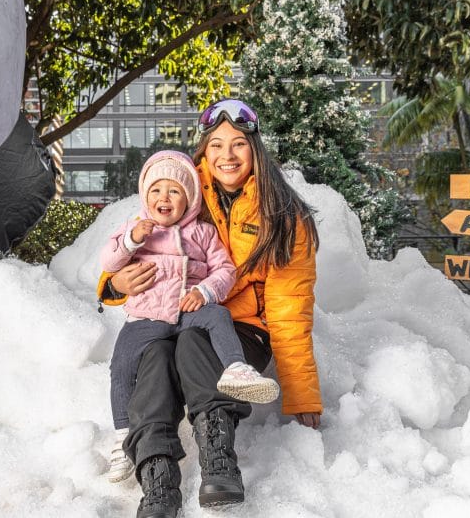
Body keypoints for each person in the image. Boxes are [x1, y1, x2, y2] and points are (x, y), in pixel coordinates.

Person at [98, 99, 322, 518]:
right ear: (204, 149)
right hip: (173, 313)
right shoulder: (182, 189)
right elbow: (135, 249)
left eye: (238, 144)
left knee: (191, 344)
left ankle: (218, 458)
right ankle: (157, 474)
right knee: (155, 354)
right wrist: (113, 284)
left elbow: (290, 309)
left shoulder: (284, 216)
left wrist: (302, 394)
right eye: (216, 145)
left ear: (255, 149)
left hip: (241, 328)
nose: (226, 156)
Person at [99, 150, 280, 483]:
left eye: (174, 191)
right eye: (156, 190)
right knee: (122, 366)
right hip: (147, 317)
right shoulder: (135, 229)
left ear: (190, 199)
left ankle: (236, 369)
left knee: (218, 315)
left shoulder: (203, 232)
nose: (164, 198)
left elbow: (225, 270)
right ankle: (123, 435)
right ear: (145, 195)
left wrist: (205, 292)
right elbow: (109, 262)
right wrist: (130, 242)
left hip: (186, 311)